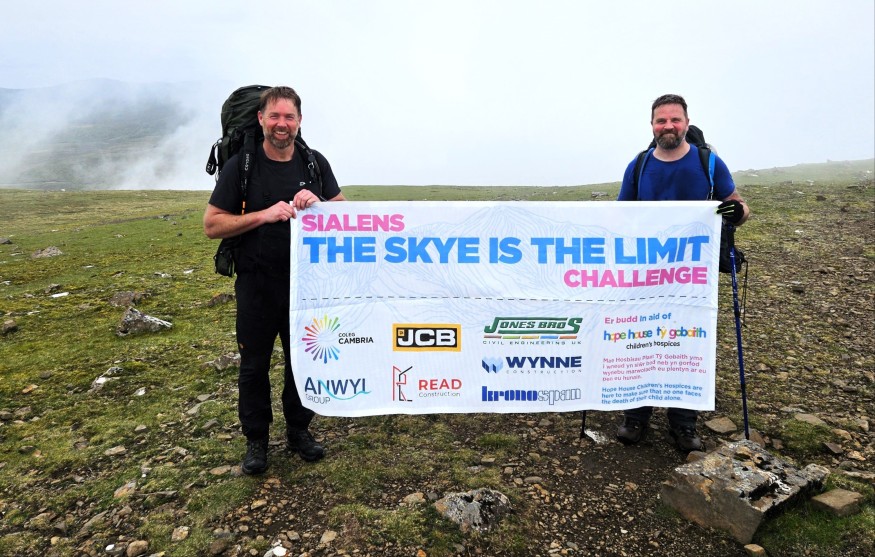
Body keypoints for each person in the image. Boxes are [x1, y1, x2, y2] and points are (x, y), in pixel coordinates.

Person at [204, 86, 346, 474]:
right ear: (261, 119)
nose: (282, 124)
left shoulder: (314, 164)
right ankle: (257, 441)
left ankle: (299, 431)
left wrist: (319, 205)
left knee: (302, 360)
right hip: (257, 283)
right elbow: (212, 224)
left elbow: (344, 217)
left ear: (299, 122)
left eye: (289, 117)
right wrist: (263, 215)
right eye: (274, 116)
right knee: (254, 365)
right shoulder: (242, 166)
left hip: (307, 286)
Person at [616, 93, 749, 452]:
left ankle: (684, 423)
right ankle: (636, 416)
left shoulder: (709, 162)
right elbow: (620, 216)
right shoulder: (639, 165)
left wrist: (737, 213)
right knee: (641, 339)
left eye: (675, 120)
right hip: (646, 272)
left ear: (686, 124)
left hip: (694, 274)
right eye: (661, 121)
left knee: (688, 341)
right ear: (652, 126)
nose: (668, 126)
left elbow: (738, 204)